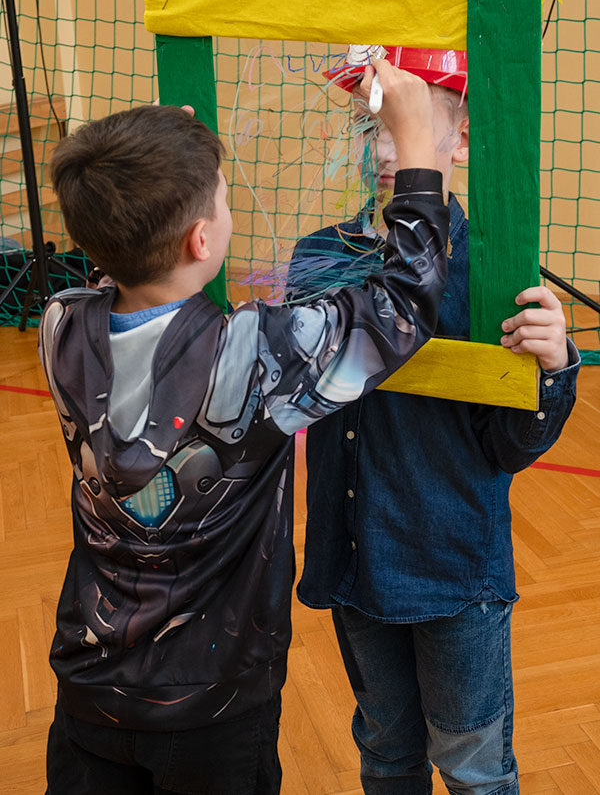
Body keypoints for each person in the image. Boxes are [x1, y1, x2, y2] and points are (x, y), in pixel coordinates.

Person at [39, 66, 451, 795]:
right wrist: (420, 151)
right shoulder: (255, 355)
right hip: (214, 708)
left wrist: (148, 160)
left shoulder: (60, 323)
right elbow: (401, 307)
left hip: (89, 684)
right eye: (223, 197)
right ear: (203, 239)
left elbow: (115, 259)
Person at [288, 45, 579, 795]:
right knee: (387, 749)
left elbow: (508, 446)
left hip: (452, 569)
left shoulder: (491, 273)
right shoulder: (321, 256)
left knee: (473, 765)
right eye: (371, 125)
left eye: (408, 123)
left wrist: (551, 369)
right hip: (355, 559)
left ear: (462, 138)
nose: (387, 150)